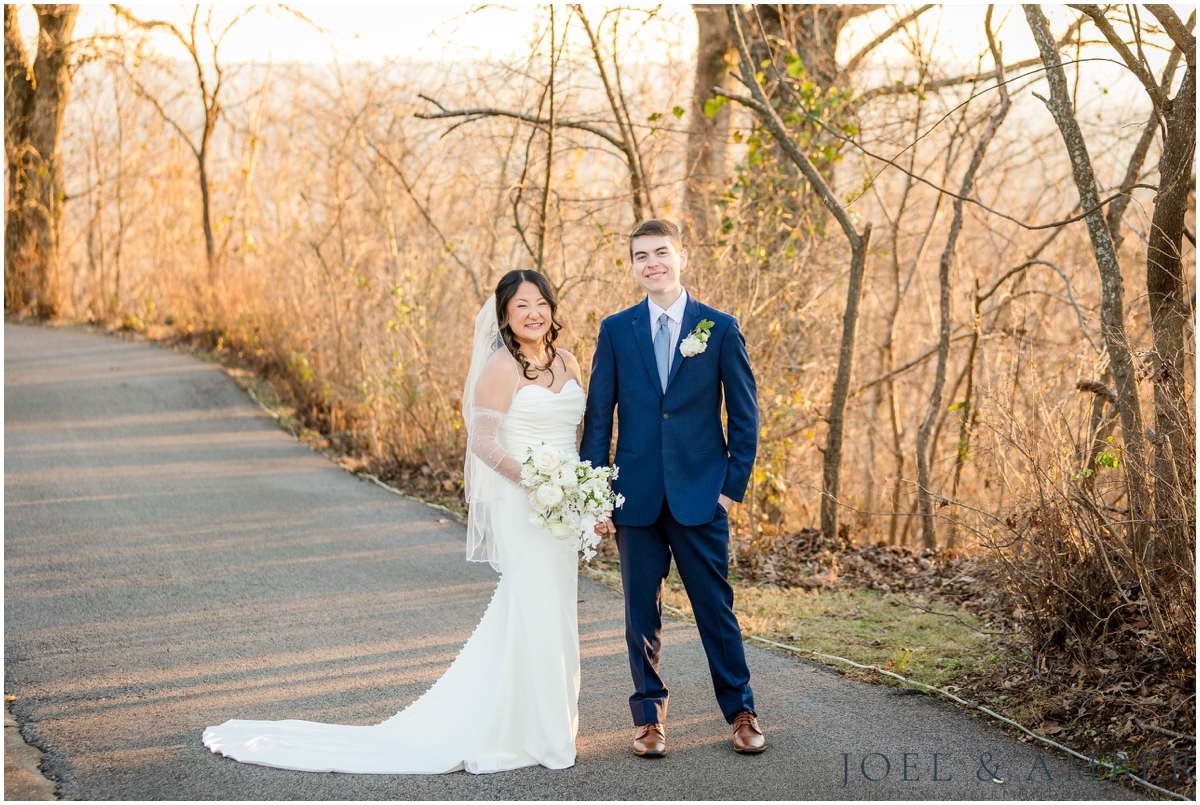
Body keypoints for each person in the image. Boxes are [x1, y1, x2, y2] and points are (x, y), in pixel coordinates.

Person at [202, 269, 588, 774]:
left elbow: (574, 438)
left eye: (540, 303)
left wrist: (582, 497)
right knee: (533, 606)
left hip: (563, 508)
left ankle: (548, 724)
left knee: (554, 611)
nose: (533, 313)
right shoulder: (500, 367)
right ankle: (530, 730)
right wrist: (537, 481)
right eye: (521, 306)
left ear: (552, 308)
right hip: (525, 501)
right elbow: (484, 442)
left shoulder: (568, 361)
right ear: (505, 316)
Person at [580, 218, 764, 758]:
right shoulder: (616, 330)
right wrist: (596, 494)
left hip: (701, 495)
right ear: (633, 265)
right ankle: (648, 719)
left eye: (661, 252)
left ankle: (741, 710)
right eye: (641, 256)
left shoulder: (719, 327)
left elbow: (745, 418)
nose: (652, 263)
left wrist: (730, 490)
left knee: (715, 609)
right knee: (641, 613)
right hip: (633, 496)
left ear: (681, 257)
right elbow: (598, 420)